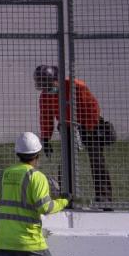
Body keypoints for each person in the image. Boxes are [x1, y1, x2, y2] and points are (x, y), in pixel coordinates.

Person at [34, 64, 113, 203]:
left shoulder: (76, 87)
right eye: (43, 86)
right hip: (67, 127)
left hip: (90, 125)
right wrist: (45, 139)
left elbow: (92, 107)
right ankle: (67, 196)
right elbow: (45, 117)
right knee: (66, 162)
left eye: (48, 84)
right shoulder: (45, 96)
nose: (47, 89)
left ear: (57, 79)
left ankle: (104, 197)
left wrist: (87, 128)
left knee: (97, 160)